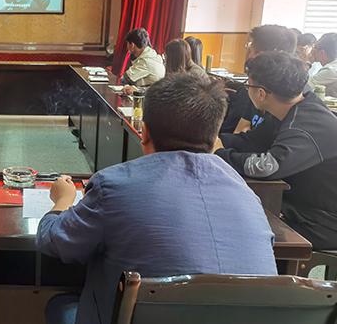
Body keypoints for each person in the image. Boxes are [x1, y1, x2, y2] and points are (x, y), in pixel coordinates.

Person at [37, 74, 277, 324]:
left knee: (61, 306)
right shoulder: (246, 192)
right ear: (215, 135)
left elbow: (54, 242)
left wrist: (62, 200)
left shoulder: (114, 185)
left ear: (144, 132)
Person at [215, 51, 337, 249]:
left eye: (248, 85)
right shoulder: (290, 109)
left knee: (241, 227)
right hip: (303, 204)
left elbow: (267, 167)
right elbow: (251, 141)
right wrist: (212, 141)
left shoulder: (303, 125)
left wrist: (219, 154)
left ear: (261, 93)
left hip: (326, 220)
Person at [220, 24, 297, 134]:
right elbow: (242, 130)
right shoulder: (257, 86)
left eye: (251, 47)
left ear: (262, 56)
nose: (248, 55)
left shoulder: (285, 100)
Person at [309, 33, 337, 98]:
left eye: (315, 47)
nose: (312, 50)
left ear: (322, 53)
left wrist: (307, 60)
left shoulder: (331, 70)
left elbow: (303, 87)